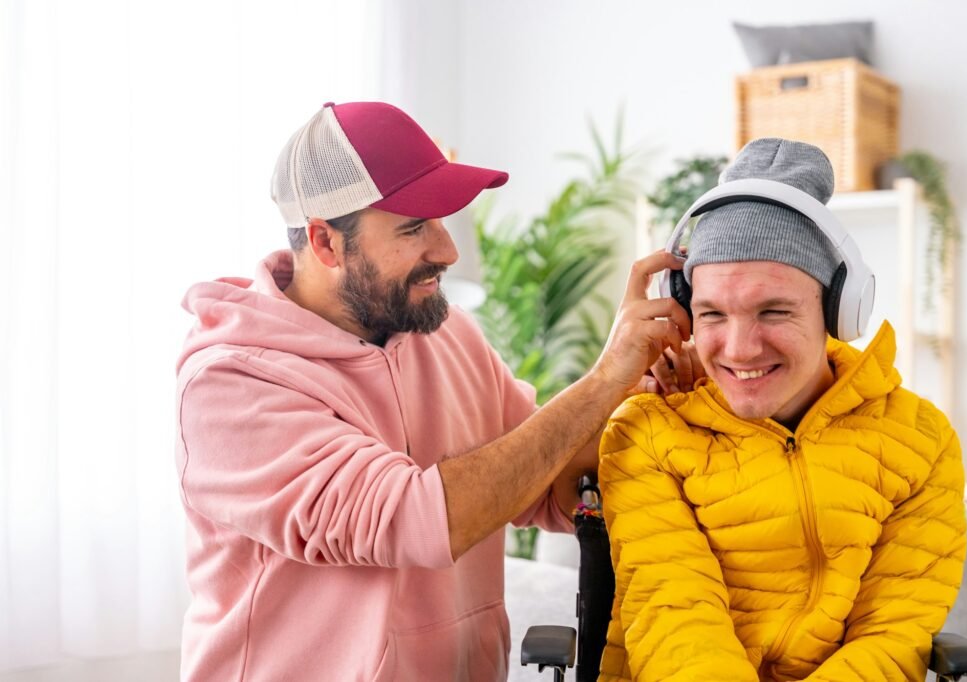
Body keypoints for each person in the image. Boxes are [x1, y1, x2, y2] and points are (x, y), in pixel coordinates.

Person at [173, 100, 692, 681]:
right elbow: (411, 522)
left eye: (441, 221)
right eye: (414, 228)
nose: (447, 251)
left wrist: (649, 401)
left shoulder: (447, 334)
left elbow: (549, 483)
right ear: (325, 243)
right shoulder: (231, 384)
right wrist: (602, 380)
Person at [597, 138, 967, 681]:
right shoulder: (646, 433)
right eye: (713, 314)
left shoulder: (921, 439)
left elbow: (893, 635)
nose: (741, 348)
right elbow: (676, 621)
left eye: (774, 310)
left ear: (838, 311)